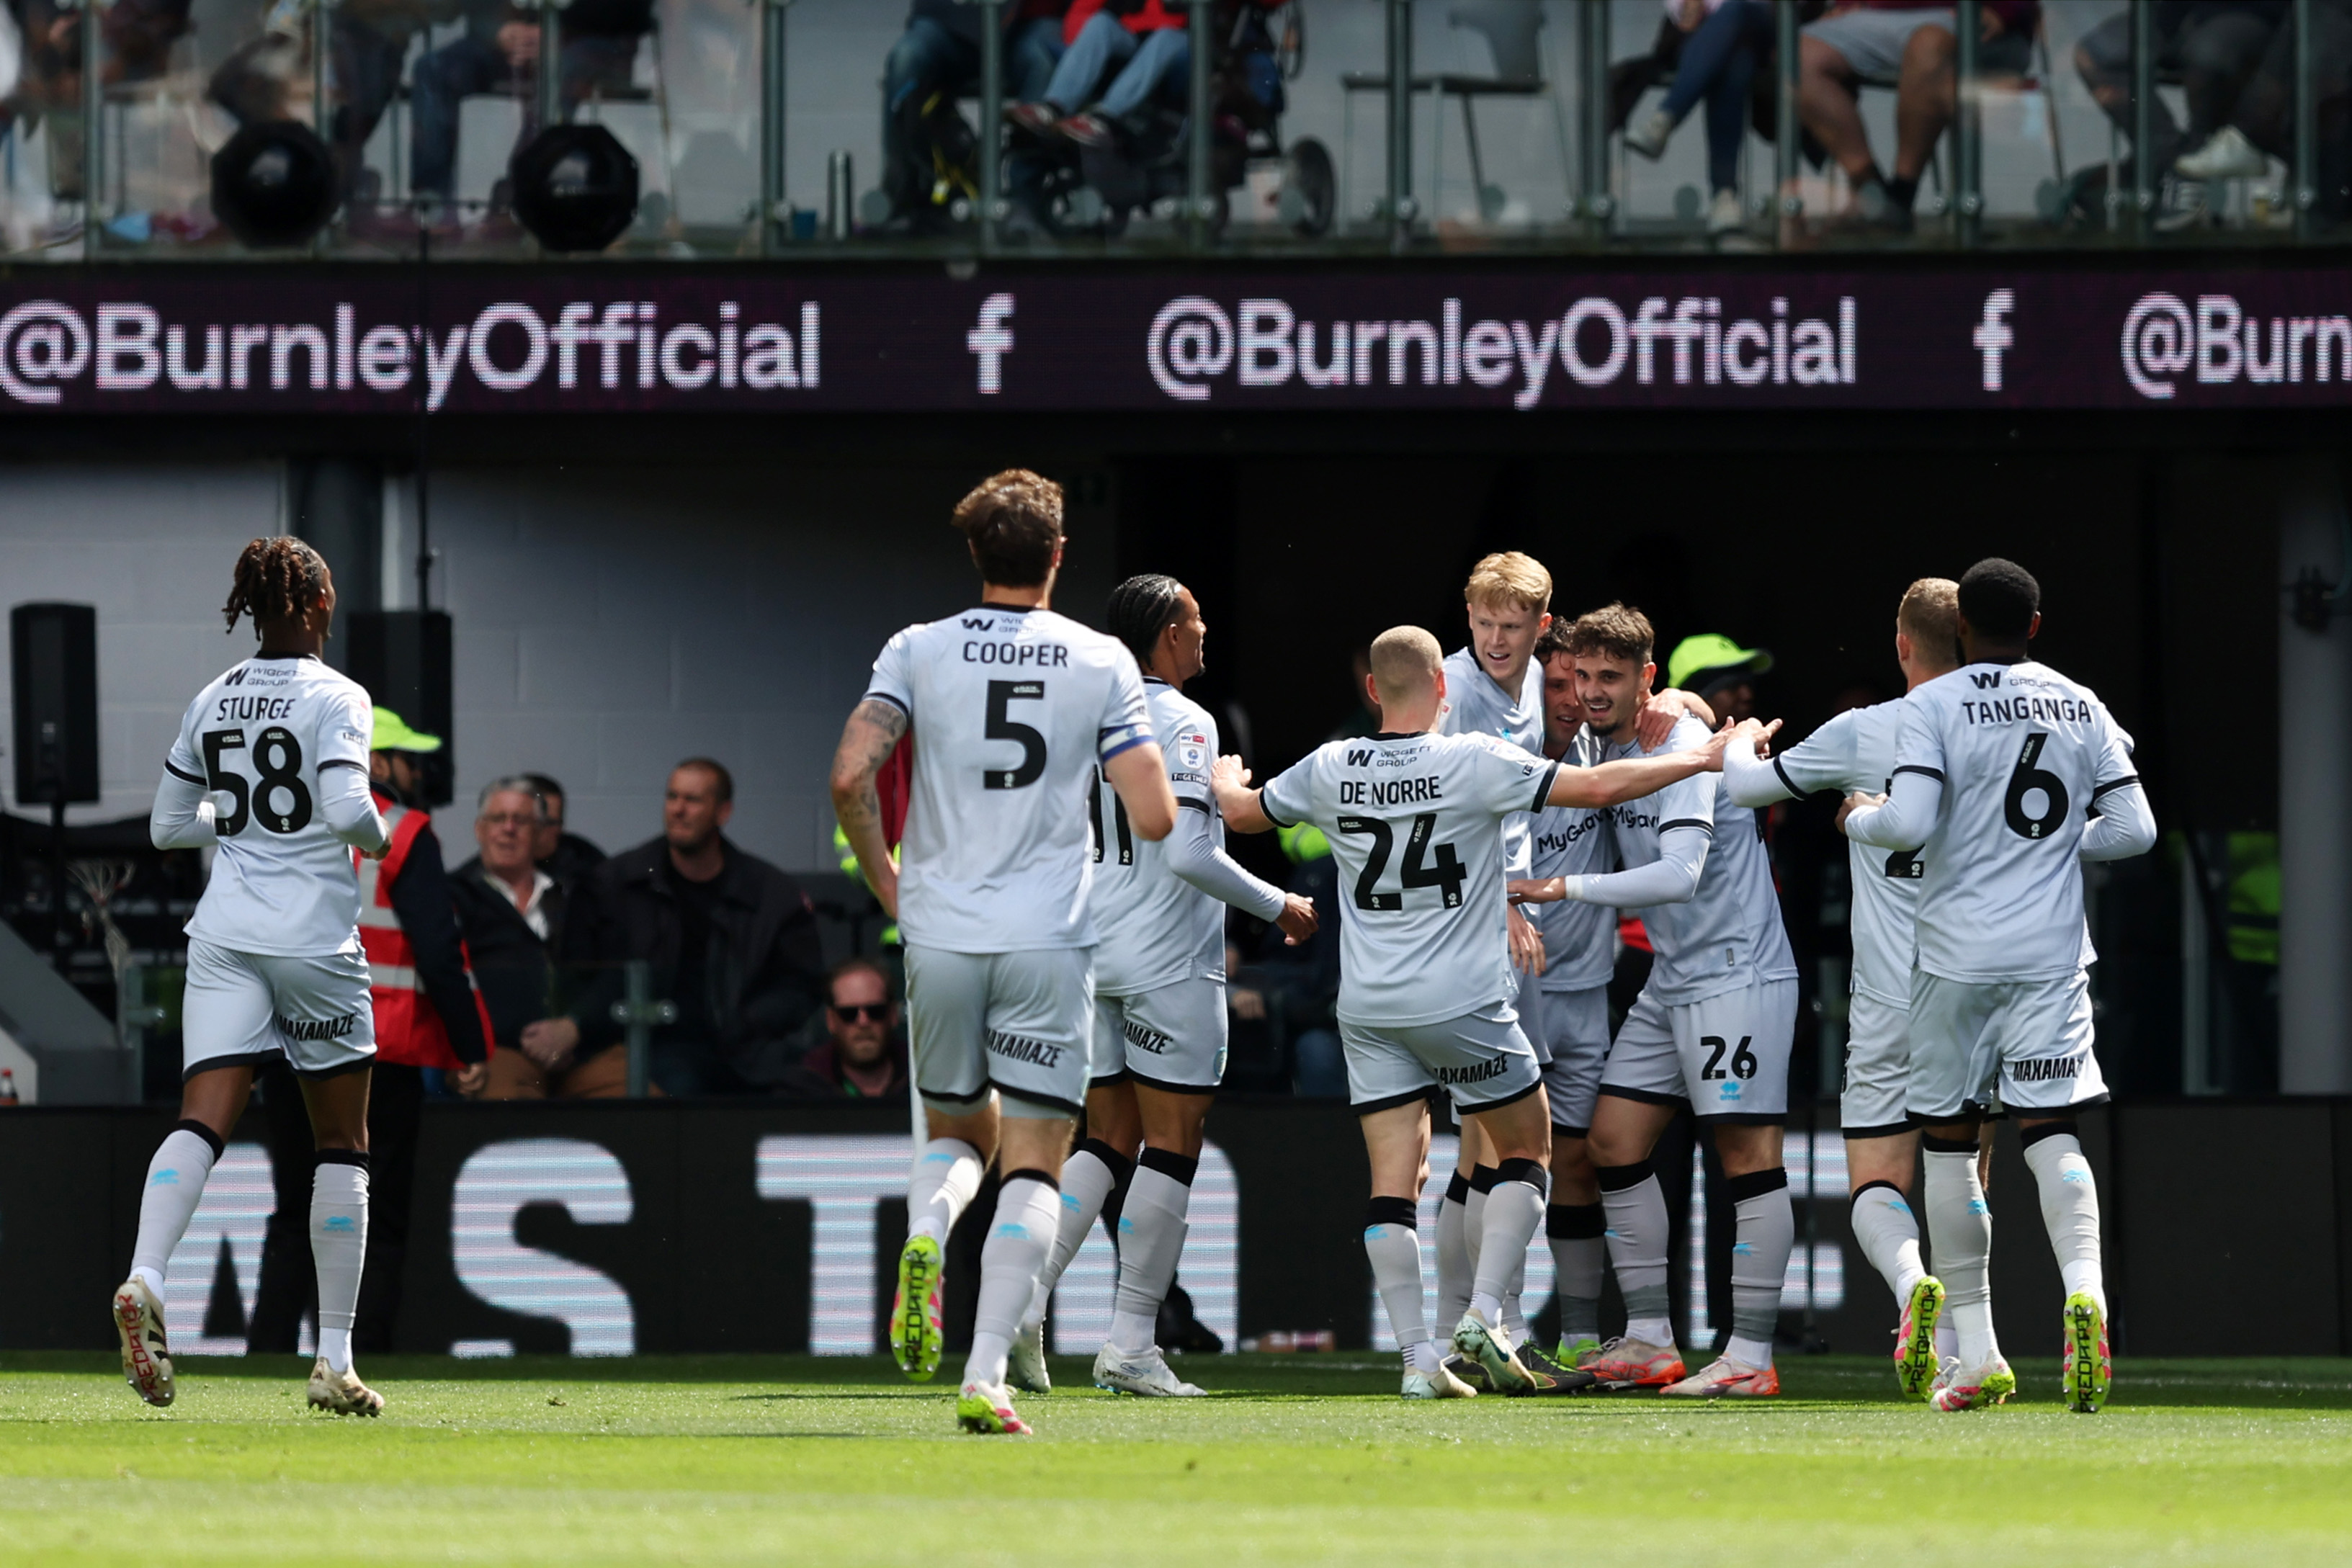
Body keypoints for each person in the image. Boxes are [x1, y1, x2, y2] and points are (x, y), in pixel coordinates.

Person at [1214, 625, 1744, 1399]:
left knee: (1394, 1183)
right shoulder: (1472, 758)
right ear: (1442, 687)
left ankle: (1416, 1361)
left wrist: (1226, 776)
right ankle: (1484, 1313)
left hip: (1368, 1006)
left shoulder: (1330, 764)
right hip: (1461, 999)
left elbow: (1241, 814)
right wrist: (1700, 757)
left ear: (1372, 690)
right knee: (1529, 1147)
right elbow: (1600, 786)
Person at [829, 469, 1177, 1436]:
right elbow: (1153, 815)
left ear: (975, 552)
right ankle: (985, 1372)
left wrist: (889, 883)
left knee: (954, 1134)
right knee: (1033, 1156)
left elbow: (850, 775)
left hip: (940, 931)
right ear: (1059, 554)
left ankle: (926, 1229)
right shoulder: (1100, 659)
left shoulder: (917, 647)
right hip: (1047, 939)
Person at [1840, 559, 2156, 1414]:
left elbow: (1907, 821)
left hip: (1954, 960)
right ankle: (2083, 1291)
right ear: (2036, 625)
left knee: (1949, 1145)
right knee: (2051, 1132)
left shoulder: (1933, 704)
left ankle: (1977, 1352)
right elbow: (2134, 828)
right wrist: (2049, 849)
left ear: (1960, 629)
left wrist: (1857, 817)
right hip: (2050, 958)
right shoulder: (2080, 701)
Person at [1007, 573, 1316, 1399]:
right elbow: (1187, 851)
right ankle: (1132, 1341)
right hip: (1165, 958)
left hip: (1090, 950)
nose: (1205, 627)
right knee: (1173, 1141)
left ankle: (1025, 1299)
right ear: (1169, 634)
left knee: (1107, 1136)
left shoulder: (1077, 714)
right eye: (1195, 617)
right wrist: (1279, 903)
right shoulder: (1181, 719)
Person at [124, 537, 392, 1417]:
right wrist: (380, 834)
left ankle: (146, 1273)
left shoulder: (214, 695)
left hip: (226, 935)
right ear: (315, 604)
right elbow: (348, 808)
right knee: (341, 1142)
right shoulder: (339, 694)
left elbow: (168, 826)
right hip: (312, 942)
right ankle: (335, 1357)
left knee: (202, 1117)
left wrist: (241, 820)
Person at [1511, 603, 1798, 1399]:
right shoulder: (1607, 743)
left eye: (1610, 677)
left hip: (1737, 973)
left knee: (1747, 1158)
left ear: (1646, 678)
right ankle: (1648, 1338)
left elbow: (1679, 875)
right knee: (1611, 1140)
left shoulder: (1683, 744)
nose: (1591, 691)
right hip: (1673, 978)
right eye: (1582, 676)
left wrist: (1558, 887)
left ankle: (1751, 1353)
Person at [1720, 578, 1964, 1399]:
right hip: (1972, 989)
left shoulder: (1863, 729)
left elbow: (1746, 787)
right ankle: (1964, 1347)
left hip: (1888, 996)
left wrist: (1740, 739)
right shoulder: (1998, 732)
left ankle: (1909, 1282)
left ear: (1901, 645)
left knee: (1875, 1178)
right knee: (1964, 1171)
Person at [250, 706, 491, 1358]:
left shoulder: (283, 826)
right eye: (407, 759)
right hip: (380, 1050)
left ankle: (266, 1356)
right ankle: (358, 1356)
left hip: (292, 1041)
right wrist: (471, 1048)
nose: (417, 773)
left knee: (293, 1210)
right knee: (374, 1214)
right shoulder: (404, 830)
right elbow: (439, 951)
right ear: (376, 761)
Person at [521, 760, 827, 1098]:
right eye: (672, 797)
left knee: (809, 1095)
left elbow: (803, 983)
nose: (678, 810)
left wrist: (749, 1021)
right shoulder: (618, 883)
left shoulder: (768, 892)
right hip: (649, 1046)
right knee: (680, 1088)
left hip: (749, 1048)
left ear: (723, 812)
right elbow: (583, 975)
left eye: (692, 800)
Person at [407, 0, 654, 230]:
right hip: (513, 41)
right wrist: (499, 30)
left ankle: (522, 198)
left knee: (559, 74)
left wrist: (560, 31)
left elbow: (629, 7)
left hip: (595, 39)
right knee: (433, 69)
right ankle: (431, 206)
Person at [1797, 0, 2041, 230]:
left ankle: (1902, 193)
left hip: (1966, 12)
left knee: (1927, 45)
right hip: (1877, 13)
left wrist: (2005, 9)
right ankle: (1870, 191)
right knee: (1795, 53)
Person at [2070, 2, 2281, 214]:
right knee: (2093, 56)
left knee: (2207, 56)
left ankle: (2185, 165)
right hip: (2171, 12)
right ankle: (2172, 162)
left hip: (2246, 12)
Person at [882, 1, 1068, 228]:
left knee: (1043, 63)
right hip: (951, 20)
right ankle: (902, 194)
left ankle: (1026, 196)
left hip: (1026, 24)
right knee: (907, 56)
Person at [451, 776, 573, 1083]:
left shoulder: (572, 895)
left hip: (578, 1047)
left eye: (521, 820)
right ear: (479, 829)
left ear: (539, 833)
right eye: (498, 819)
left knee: (641, 1096)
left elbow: (606, 975)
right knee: (507, 1100)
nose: (509, 828)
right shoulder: (452, 897)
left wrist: (574, 1027)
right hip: (496, 1050)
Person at [1624, 0, 1778, 235]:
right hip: (1709, 35)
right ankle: (1724, 197)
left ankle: (1665, 117)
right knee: (1735, 62)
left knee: (1736, 9)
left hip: (1765, 25)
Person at [782, 958, 913, 1101]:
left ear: (893, 1014)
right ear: (831, 1020)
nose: (863, 1022)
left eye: (876, 1011)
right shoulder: (799, 1091)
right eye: (849, 1014)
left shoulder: (922, 1077)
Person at [520, 772, 607, 886]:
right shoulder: (497, 859)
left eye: (548, 823)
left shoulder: (586, 866)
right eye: (528, 820)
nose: (538, 830)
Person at [1668, 632, 1773, 725]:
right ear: (1695, 695)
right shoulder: (1678, 740)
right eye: (1731, 686)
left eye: (1749, 683)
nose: (1747, 696)